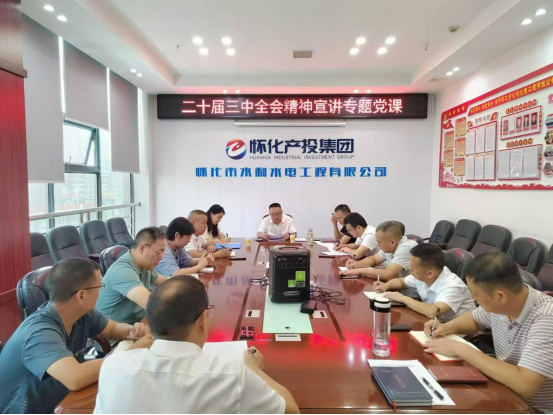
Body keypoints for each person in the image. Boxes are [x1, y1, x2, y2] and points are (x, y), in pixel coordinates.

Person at [94, 276, 300, 414]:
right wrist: (254, 370)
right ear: (203, 319)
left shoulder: (112, 367)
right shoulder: (231, 374)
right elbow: (290, 409)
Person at [0, 259, 152, 415]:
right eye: (100, 286)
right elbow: (75, 377)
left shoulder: (82, 313)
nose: (102, 290)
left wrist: (133, 330)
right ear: (81, 296)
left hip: (55, 396)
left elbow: (113, 329)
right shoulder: (39, 331)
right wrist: (129, 354)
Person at [424, 253, 553, 414]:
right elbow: (475, 318)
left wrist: (461, 349)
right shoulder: (506, 302)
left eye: (475, 294)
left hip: (531, 408)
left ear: (500, 296)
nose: (472, 297)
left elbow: (525, 385)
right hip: (503, 391)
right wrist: (445, 327)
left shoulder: (546, 319)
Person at [373, 244, 475, 322]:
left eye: (412, 267)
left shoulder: (452, 286)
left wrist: (402, 298)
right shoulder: (424, 274)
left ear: (430, 273)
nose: (409, 269)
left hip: (459, 334)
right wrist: (386, 285)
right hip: (434, 324)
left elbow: (434, 312)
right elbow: (401, 282)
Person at [96, 227, 169, 325]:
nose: (161, 258)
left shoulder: (145, 265)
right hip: (115, 331)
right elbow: (154, 307)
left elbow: (167, 283)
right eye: (159, 252)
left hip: (136, 323)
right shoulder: (123, 271)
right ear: (142, 249)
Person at [340, 221, 417, 281]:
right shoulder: (390, 245)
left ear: (392, 242)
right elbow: (374, 259)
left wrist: (360, 271)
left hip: (410, 294)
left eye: (379, 242)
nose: (377, 244)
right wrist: (356, 264)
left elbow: (388, 274)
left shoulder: (406, 247)